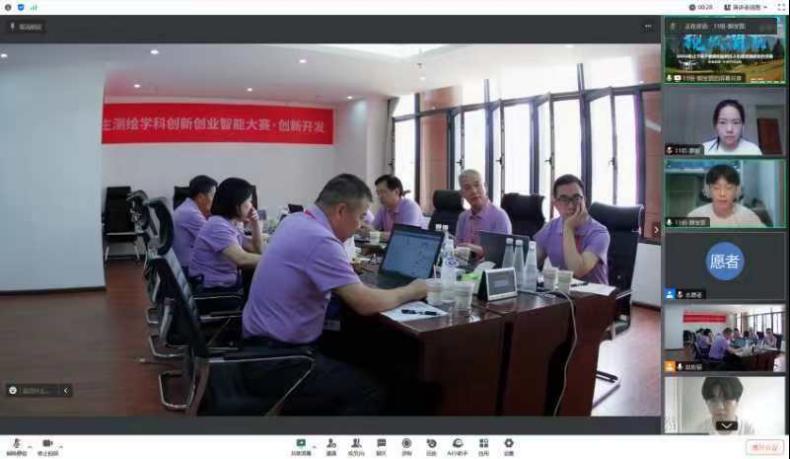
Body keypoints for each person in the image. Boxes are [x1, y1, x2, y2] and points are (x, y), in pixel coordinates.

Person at [242, 173, 428, 415]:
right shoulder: (321, 240)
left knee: (362, 352)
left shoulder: (295, 221)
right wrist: (414, 289)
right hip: (280, 363)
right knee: (370, 390)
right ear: (341, 210)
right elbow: (364, 303)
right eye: (360, 216)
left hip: (257, 350)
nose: (360, 225)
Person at [534, 174, 610, 285]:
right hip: (562, 292)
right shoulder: (550, 228)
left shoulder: (599, 233)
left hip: (594, 295)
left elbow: (577, 271)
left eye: (576, 198)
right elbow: (529, 263)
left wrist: (568, 228)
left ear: (584, 200)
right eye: (564, 199)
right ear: (555, 204)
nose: (571, 206)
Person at [189, 177, 263, 291]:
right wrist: (274, 259)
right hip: (214, 289)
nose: (252, 206)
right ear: (236, 204)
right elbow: (242, 259)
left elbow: (256, 249)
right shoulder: (217, 225)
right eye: (249, 201)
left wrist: (255, 223)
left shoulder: (228, 222)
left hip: (224, 283)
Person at [454, 169, 512, 258]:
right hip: (462, 264)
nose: (474, 191)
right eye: (467, 188)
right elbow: (456, 248)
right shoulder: (463, 217)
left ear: (485, 187)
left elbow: (502, 254)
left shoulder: (500, 216)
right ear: (462, 194)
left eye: (477, 185)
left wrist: (473, 249)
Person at [687, 164, 764, 227]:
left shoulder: (748, 217)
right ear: (708, 190)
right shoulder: (696, 216)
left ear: (737, 190)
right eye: (716, 188)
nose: (722, 194)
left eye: (729, 188)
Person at [173, 175, 217, 272]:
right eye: (213, 195)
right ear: (200, 197)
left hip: (186, 264)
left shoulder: (188, 207)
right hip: (189, 268)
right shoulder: (190, 213)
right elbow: (216, 239)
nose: (216, 200)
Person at [369, 174, 423, 239]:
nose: (379, 196)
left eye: (383, 192)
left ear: (396, 192)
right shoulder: (383, 209)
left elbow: (405, 236)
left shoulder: (411, 208)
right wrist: (366, 229)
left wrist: (374, 234)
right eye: (378, 193)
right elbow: (373, 227)